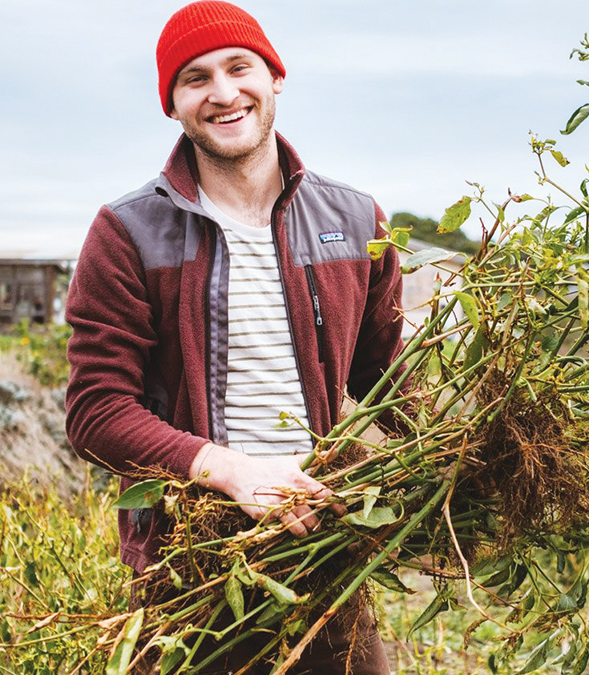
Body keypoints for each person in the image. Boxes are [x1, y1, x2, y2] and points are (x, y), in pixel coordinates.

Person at [64, 2, 404, 672]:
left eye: (238, 66)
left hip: (322, 540)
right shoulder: (127, 233)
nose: (222, 92)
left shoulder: (356, 219)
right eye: (195, 79)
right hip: (193, 558)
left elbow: (387, 374)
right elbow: (95, 412)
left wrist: (485, 441)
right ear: (173, 104)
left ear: (275, 76)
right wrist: (232, 471)